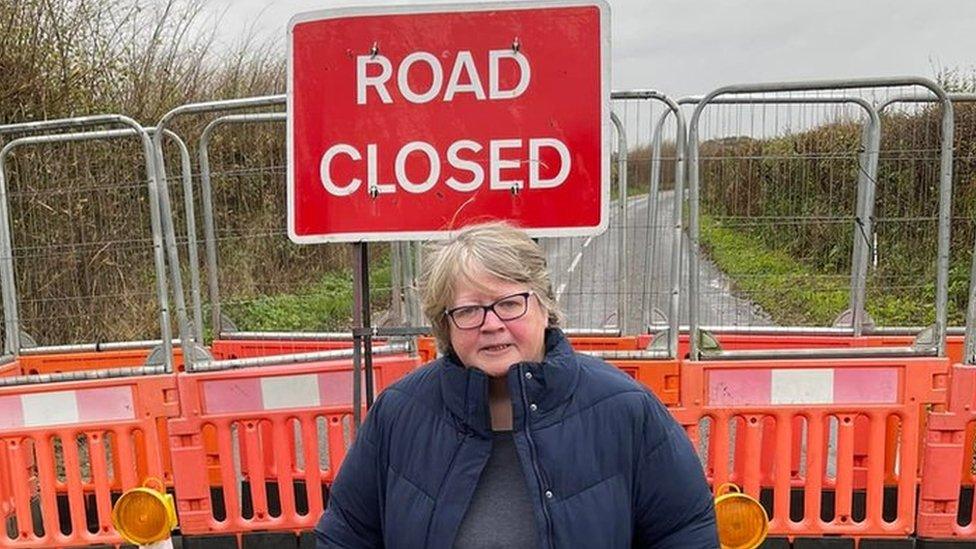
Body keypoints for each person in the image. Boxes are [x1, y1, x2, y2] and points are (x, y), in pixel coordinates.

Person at [315, 221, 717, 548]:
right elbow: (347, 533)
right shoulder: (399, 412)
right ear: (445, 326)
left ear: (544, 306)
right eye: (469, 310)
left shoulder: (625, 409)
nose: (492, 324)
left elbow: (684, 533)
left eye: (509, 303)